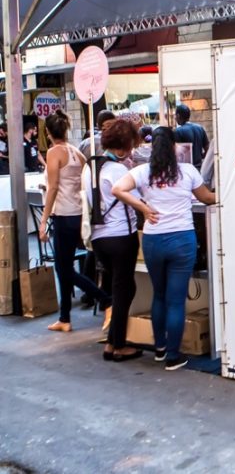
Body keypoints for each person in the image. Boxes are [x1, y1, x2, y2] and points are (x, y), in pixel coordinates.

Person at [113, 127, 216, 370]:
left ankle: (159, 349)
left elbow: (117, 189)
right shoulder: (187, 171)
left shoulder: (142, 172)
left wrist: (143, 207)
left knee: (159, 295)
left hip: (153, 240)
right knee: (176, 301)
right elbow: (207, 198)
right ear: (173, 146)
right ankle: (173, 355)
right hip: (182, 239)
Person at [39, 110, 111, 332]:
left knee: (63, 268)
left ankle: (105, 298)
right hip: (78, 214)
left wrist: (43, 221)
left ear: (48, 132)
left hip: (63, 215)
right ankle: (65, 317)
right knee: (65, 266)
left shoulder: (54, 153)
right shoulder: (77, 153)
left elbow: (53, 188)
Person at [83, 119, 143, 361]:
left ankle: (112, 342)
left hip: (99, 238)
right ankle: (118, 346)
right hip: (121, 236)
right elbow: (137, 198)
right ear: (124, 147)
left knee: (119, 287)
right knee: (124, 289)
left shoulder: (90, 168)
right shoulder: (119, 171)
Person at [174, 104, 208, 171]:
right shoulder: (200, 128)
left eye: (175, 115)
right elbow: (207, 148)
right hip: (199, 168)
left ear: (178, 115)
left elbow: (177, 153)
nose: (175, 118)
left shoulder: (178, 131)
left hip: (186, 169)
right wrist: (201, 156)